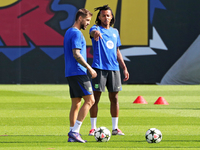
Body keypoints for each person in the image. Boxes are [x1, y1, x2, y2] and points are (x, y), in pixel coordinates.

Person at [88, 5, 129, 136]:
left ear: (111, 17)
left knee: (114, 98)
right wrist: (95, 33)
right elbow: (92, 32)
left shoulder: (115, 32)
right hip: (99, 68)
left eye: (108, 15)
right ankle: (93, 128)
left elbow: (117, 51)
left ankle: (115, 128)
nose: (106, 17)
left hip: (114, 69)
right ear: (99, 17)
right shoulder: (95, 28)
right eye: (103, 15)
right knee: (95, 98)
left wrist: (124, 67)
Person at [63, 8, 97, 143]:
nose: (88, 23)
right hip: (78, 72)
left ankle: (72, 135)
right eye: (87, 20)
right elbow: (76, 54)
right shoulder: (76, 34)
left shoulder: (68, 32)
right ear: (80, 18)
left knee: (76, 103)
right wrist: (89, 68)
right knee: (90, 101)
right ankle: (75, 132)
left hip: (70, 72)